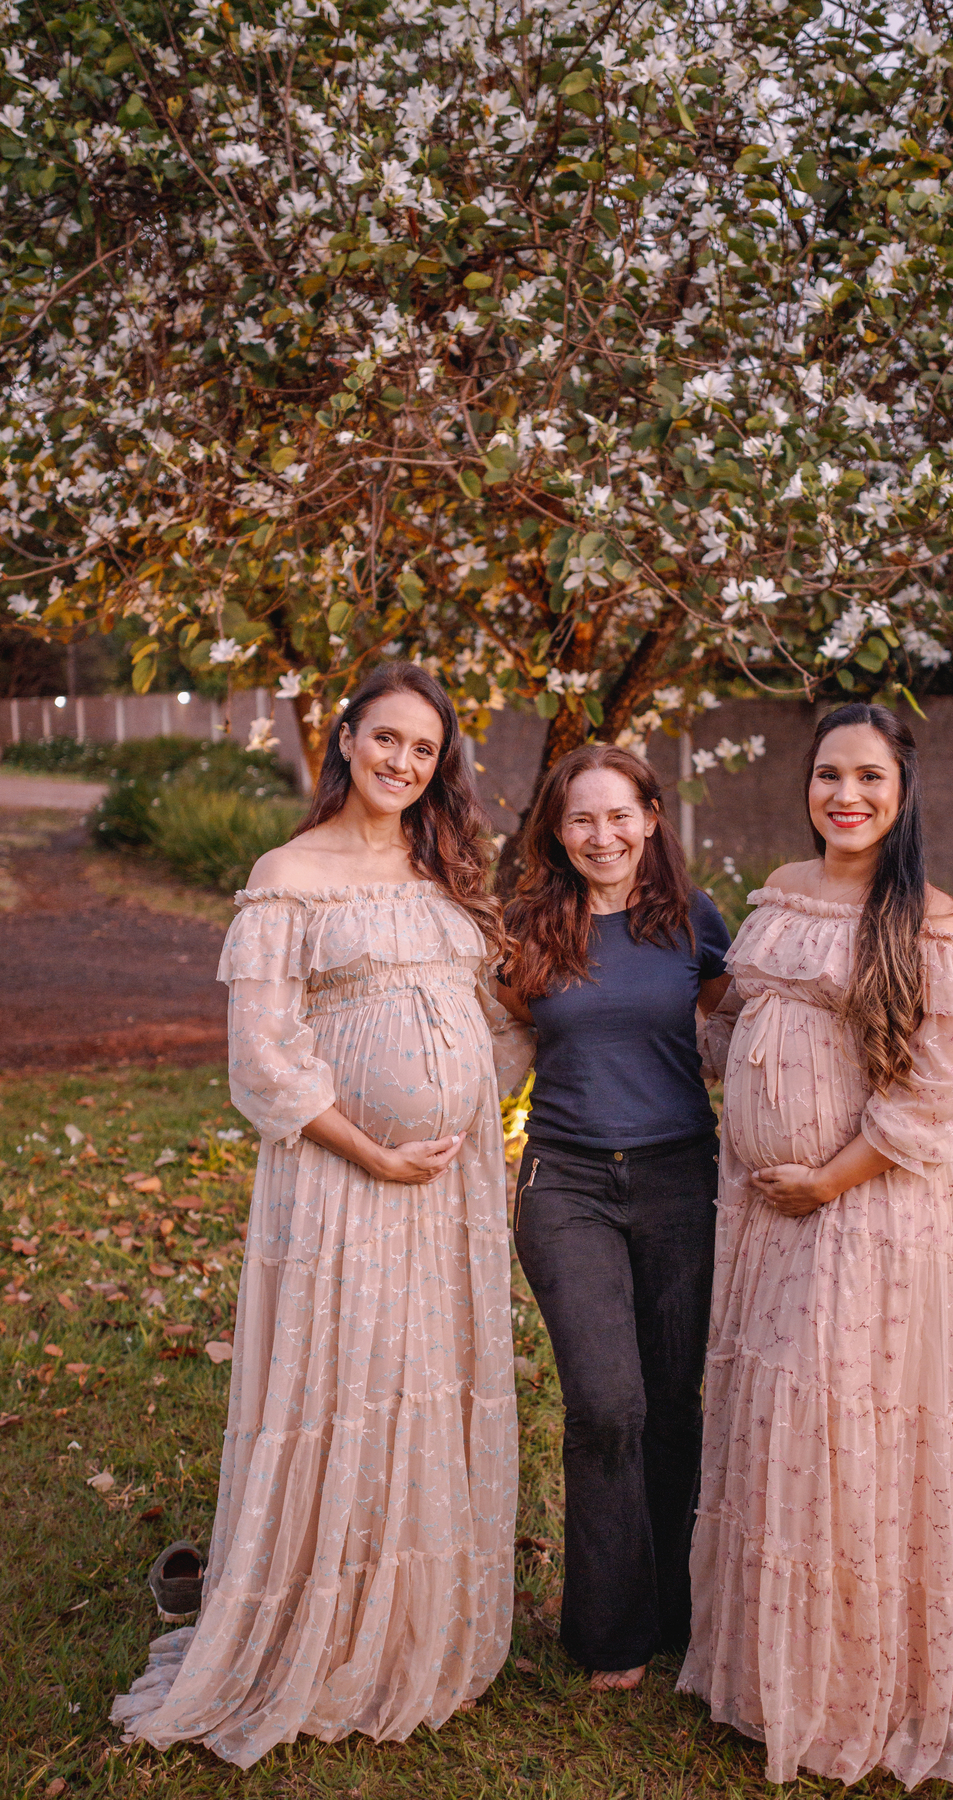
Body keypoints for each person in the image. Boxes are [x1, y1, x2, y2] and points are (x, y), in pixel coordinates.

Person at [112, 663, 532, 1768]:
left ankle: (411, 1616)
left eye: (424, 750)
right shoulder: (288, 875)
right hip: (343, 1183)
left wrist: (468, 1111)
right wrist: (373, 1144)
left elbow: (489, 1021)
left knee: (423, 1378)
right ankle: (323, 1621)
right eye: (384, 738)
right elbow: (261, 1064)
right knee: (348, 1378)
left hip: (446, 1192)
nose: (401, 762)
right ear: (343, 738)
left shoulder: (444, 874)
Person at [678, 702, 953, 1800]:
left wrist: (825, 1179)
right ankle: (766, 1672)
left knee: (840, 1425)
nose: (847, 796)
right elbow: (728, 1034)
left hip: (862, 1218)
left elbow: (934, 1099)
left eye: (871, 779)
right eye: (830, 774)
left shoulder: (925, 919)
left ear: (902, 791)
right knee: (772, 1421)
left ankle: (851, 1688)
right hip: (759, 1210)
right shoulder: (782, 892)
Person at [495, 745, 731, 1691]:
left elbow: (730, 1031)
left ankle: (677, 1612)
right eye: (582, 819)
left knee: (673, 1406)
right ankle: (609, 1633)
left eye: (620, 815)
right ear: (556, 829)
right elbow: (505, 1034)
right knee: (606, 1403)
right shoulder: (526, 928)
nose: (604, 836)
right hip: (568, 1184)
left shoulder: (693, 921)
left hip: (681, 1179)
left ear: (651, 817)